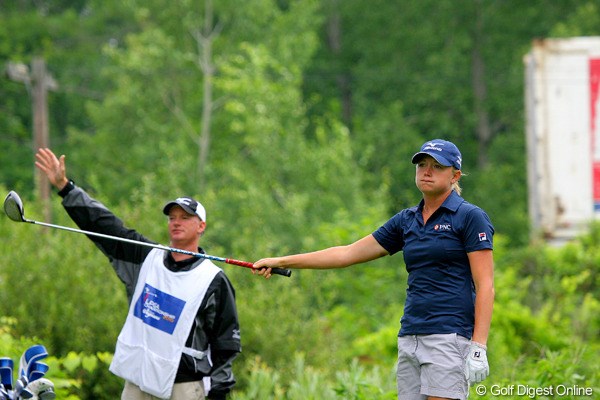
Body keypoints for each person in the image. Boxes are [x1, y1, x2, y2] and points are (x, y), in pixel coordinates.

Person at [253, 139, 494, 400]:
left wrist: (478, 346)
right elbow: (346, 254)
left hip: (449, 336)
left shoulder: (469, 217)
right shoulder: (407, 220)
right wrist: (281, 261)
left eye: (437, 166)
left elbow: (485, 285)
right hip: (410, 336)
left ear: (455, 175)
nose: (427, 171)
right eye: (422, 164)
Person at [34, 148, 241, 400]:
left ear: (201, 226)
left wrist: (219, 392)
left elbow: (225, 344)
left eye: (185, 217)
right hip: (137, 382)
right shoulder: (146, 257)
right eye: (172, 217)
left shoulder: (214, 280)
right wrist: (66, 188)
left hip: (184, 386)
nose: (176, 222)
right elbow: (104, 224)